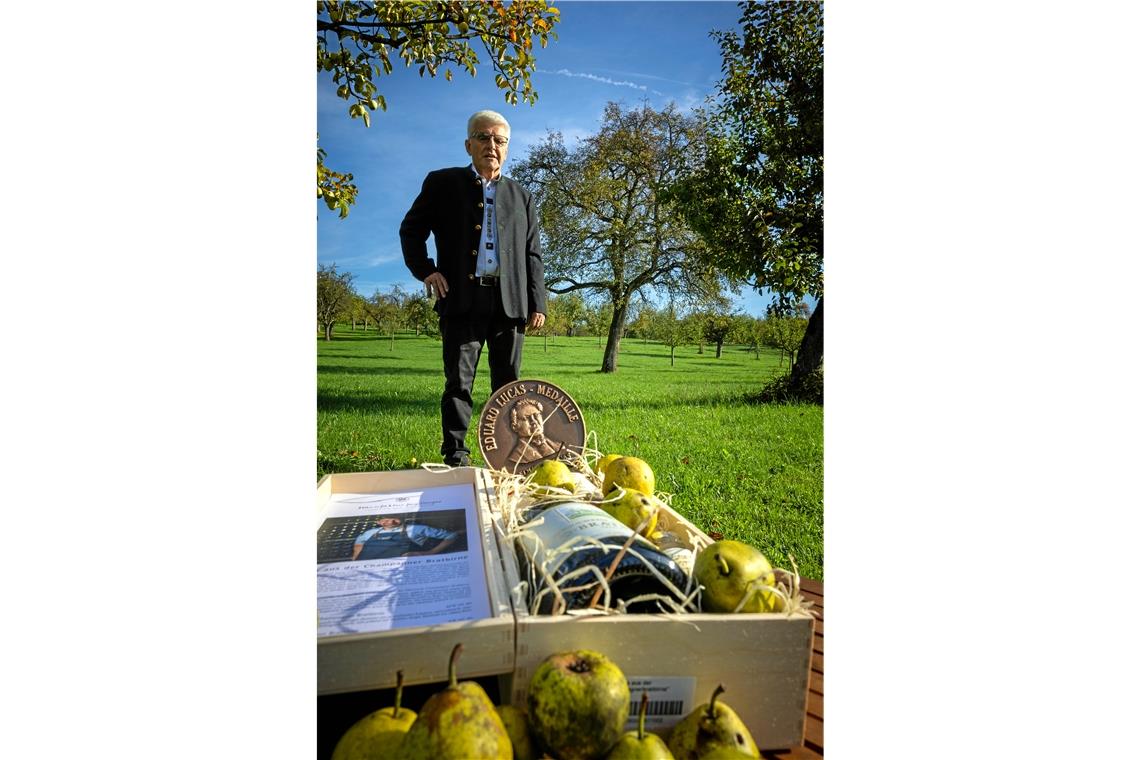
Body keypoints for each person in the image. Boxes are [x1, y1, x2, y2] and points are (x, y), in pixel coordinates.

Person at [400, 109, 547, 467]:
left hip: (509, 304)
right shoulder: (441, 183)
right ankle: (456, 454)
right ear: (468, 144)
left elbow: (533, 253)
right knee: (459, 382)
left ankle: (509, 458)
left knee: (509, 385)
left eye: (499, 140)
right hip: (462, 300)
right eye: (483, 137)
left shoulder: (522, 196)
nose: (491, 146)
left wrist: (537, 301)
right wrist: (427, 271)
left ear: (507, 148)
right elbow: (411, 231)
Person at [351, 516, 460, 561]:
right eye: (385, 519)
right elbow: (359, 543)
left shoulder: (415, 529)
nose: (391, 521)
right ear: (379, 522)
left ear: (401, 519)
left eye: (394, 518)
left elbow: (451, 535)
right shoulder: (370, 532)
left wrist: (431, 552)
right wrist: (356, 558)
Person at [505, 398, 559, 470]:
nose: (534, 421)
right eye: (527, 418)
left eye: (536, 416)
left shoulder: (558, 446)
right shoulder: (516, 457)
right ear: (515, 427)